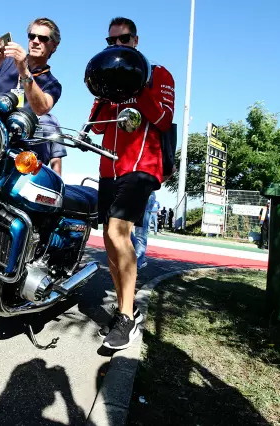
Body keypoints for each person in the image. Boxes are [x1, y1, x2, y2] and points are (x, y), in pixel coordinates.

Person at [89, 17, 175, 349]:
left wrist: (137, 87)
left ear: (135, 41)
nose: (117, 45)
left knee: (117, 232)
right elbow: (96, 127)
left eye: (123, 39)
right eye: (112, 41)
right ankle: (130, 308)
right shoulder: (109, 78)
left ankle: (125, 318)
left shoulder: (157, 73)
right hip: (109, 168)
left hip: (143, 166)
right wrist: (103, 94)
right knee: (111, 243)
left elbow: (164, 119)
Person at [0, 18, 62, 117]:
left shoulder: (53, 85)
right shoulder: (6, 59)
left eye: (43, 38)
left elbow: (41, 109)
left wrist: (24, 71)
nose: (35, 41)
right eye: (32, 36)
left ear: (54, 46)